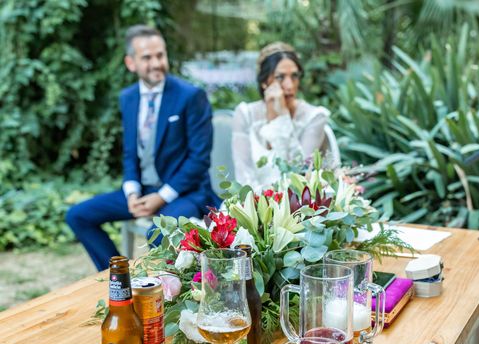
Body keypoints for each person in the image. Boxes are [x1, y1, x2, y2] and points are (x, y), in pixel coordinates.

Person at [66, 25, 217, 271]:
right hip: (144, 190)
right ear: (131, 62)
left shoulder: (191, 96)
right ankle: (119, 276)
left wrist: (161, 197)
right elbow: (130, 154)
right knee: (77, 216)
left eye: (160, 55)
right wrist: (132, 193)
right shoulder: (128, 98)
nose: (156, 63)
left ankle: (165, 290)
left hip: (185, 192)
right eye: (147, 57)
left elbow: (199, 160)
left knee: (157, 233)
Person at [232, 42, 331, 190]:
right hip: (250, 204)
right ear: (264, 81)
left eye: (295, 76)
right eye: (280, 77)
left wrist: (283, 117)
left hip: (298, 206)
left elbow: (300, 173)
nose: (290, 85)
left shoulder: (315, 117)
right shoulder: (245, 114)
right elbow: (243, 176)